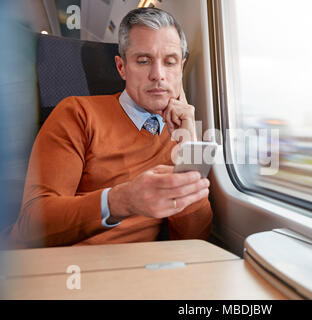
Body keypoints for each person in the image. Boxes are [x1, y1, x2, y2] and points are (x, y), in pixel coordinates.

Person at [8, 7, 212, 248]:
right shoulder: (77, 113)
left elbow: (193, 242)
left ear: (181, 69)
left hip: (141, 273)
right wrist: (121, 201)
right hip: (68, 271)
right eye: (143, 61)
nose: (158, 75)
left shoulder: (181, 133)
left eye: (170, 62)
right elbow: (31, 227)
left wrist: (190, 149)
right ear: (121, 67)